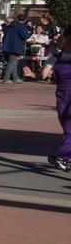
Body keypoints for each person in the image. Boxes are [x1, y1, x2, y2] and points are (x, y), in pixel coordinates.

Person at [50, 29, 71, 172]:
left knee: (68, 127)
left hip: (62, 95)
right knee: (69, 128)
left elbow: (44, 74)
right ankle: (64, 157)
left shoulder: (57, 56)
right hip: (65, 94)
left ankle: (66, 158)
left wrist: (34, 74)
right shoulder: (59, 56)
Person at [0, 13, 32, 82]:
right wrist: (30, 31)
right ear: (25, 20)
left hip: (7, 45)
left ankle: (15, 77)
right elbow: (25, 36)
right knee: (12, 62)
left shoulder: (10, 25)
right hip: (15, 46)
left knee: (15, 62)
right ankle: (6, 78)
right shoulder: (21, 26)